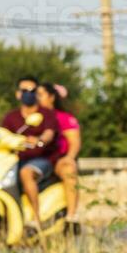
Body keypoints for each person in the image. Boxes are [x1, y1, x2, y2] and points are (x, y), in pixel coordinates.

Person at [1, 76, 60, 234]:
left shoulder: (46, 114)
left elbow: (48, 134)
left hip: (41, 160)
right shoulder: (11, 117)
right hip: (16, 159)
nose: (28, 94)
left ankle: (36, 218)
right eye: (24, 90)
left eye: (32, 91)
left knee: (26, 172)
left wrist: (40, 140)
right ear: (18, 94)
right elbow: (2, 135)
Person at [37, 83, 82, 226]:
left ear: (52, 97)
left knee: (69, 171)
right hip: (34, 160)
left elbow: (74, 141)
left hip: (57, 161)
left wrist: (69, 158)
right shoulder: (29, 116)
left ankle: (71, 216)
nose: (36, 98)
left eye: (40, 95)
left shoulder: (63, 117)